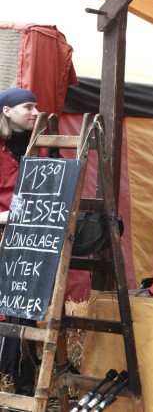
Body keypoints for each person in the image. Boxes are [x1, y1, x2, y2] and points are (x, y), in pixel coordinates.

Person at [0, 87, 41, 395]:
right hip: (2, 236)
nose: (35, 112)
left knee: (26, 311)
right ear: (7, 111)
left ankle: (25, 391)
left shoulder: (40, 146)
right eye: (28, 106)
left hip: (31, 241)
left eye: (35, 106)